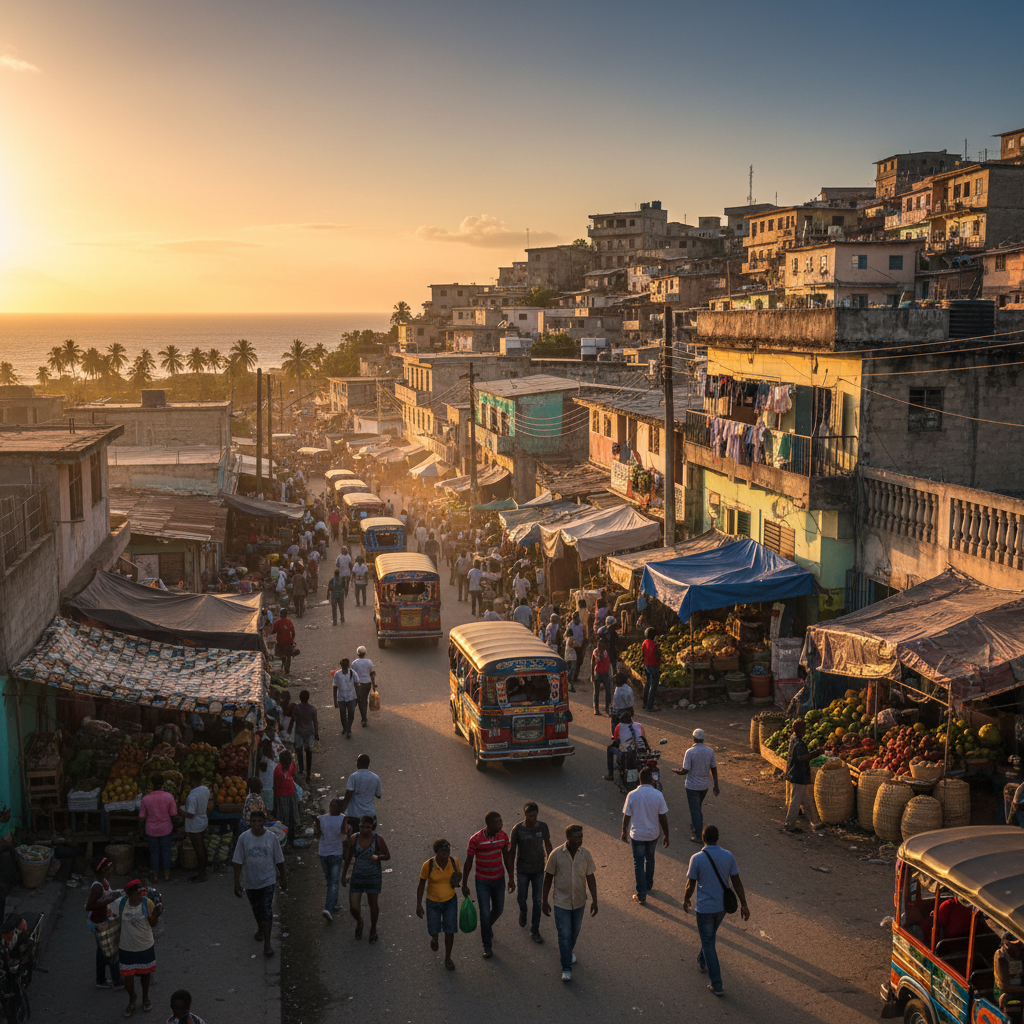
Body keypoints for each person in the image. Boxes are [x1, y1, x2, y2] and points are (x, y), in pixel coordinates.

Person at [683, 824, 750, 997]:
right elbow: (737, 882)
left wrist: (686, 899)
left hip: (704, 909)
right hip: (722, 908)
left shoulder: (696, 858)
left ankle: (717, 983)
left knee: (708, 941)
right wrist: (744, 904)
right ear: (717, 838)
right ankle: (702, 960)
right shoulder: (728, 856)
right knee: (709, 938)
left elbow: (691, 884)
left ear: (703, 838)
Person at [542, 824, 598, 983]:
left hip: (580, 901)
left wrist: (595, 899)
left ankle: (567, 951)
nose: (580, 839)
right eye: (577, 837)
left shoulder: (585, 854)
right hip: (561, 902)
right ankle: (566, 967)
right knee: (564, 934)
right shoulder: (556, 855)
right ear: (568, 838)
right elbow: (548, 878)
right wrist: (544, 900)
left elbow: (590, 877)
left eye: (581, 836)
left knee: (574, 932)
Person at [232, 809, 287, 958]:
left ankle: (267, 945)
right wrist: (237, 882)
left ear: (264, 822)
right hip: (251, 881)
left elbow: (279, 860)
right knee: (256, 909)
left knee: (266, 909)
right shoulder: (244, 838)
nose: (256, 824)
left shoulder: (271, 838)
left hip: (268, 880)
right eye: (254, 821)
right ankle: (260, 928)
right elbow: (237, 862)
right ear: (250, 823)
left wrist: (283, 878)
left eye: (259, 821)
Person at [462, 811, 514, 959]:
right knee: (484, 913)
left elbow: (507, 857)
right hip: (482, 881)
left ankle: (486, 926)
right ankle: (487, 945)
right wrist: (464, 884)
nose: (500, 824)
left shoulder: (503, 836)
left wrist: (511, 878)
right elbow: (469, 862)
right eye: (497, 822)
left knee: (498, 909)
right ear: (489, 824)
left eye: (501, 821)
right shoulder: (476, 839)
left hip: (499, 879)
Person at [622, 768, 670, 905]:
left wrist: (624, 830)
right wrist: (666, 834)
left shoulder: (632, 795)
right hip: (653, 834)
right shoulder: (658, 795)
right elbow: (663, 816)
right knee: (650, 859)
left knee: (638, 863)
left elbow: (626, 816)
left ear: (640, 779)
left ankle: (641, 894)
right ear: (651, 780)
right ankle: (648, 885)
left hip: (637, 835)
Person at [342, 816, 391, 942]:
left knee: (373, 904)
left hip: (373, 877)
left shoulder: (377, 839)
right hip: (357, 876)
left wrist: (378, 857)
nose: (365, 830)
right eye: (362, 827)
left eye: (367, 827)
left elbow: (387, 855)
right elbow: (348, 857)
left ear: (372, 827)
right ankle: (360, 922)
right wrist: (344, 874)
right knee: (354, 907)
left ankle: (373, 929)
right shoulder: (354, 838)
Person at [117, 879, 162, 1015]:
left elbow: (152, 923)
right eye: (137, 893)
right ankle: (132, 998)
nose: (140, 896)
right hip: (126, 947)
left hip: (144, 945)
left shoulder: (147, 903)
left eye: (141, 893)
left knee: (145, 974)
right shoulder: (121, 903)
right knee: (128, 977)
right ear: (130, 894)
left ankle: (145, 998)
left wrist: (156, 914)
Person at [510, 802, 552, 945]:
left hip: (539, 869)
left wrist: (551, 863)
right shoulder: (517, 830)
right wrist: (510, 874)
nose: (533, 818)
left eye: (535, 815)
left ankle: (535, 930)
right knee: (522, 897)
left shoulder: (542, 827)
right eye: (530, 815)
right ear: (525, 815)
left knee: (538, 901)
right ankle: (523, 911)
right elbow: (512, 850)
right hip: (522, 870)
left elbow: (548, 844)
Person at [416, 838, 461, 971]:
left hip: (450, 901)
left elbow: (458, 877)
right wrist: (419, 904)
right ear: (436, 852)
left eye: (447, 850)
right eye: (442, 850)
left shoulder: (454, 862)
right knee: (433, 928)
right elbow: (421, 885)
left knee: (450, 930)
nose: (446, 852)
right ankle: (435, 938)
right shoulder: (428, 865)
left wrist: (460, 884)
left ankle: (448, 958)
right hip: (433, 902)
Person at [672, 728, 720, 842]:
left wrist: (676, 771)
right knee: (697, 808)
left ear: (693, 738)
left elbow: (685, 770)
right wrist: (716, 785)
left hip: (692, 786)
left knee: (695, 810)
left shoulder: (690, 752)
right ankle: (696, 826)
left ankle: (699, 835)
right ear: (703, 739)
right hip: (704, 786)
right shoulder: (710, 751)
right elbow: (714, 768)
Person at [85, 855, 122, 989]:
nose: (111, 871)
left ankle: (100, 980)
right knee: (111, 952)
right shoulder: (98, 887)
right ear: (101, 871)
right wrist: (109, 901)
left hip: (102, 920)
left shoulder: (104, 881)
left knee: (102, 951)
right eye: (108, 869)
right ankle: (117, 981)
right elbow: (89, 906)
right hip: (99, 923)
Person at [783, 719, 824, 833]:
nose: (805, 731)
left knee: (806, 800)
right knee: (796, 801)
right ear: (799, 730)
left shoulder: (793, 738)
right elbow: (803, 758)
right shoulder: (799, 743)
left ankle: (815, 822)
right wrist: (816, 752)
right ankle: (789, 825)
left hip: (796, 773)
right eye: (804, 728)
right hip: (799, 775)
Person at [139, 774, 177, 884]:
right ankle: (166, 875)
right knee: (166, 851)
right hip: (166, 828)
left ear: (152, 785)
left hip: (151, 830)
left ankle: (155, 876)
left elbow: (142, 816)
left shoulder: (146, 799)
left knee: (154, 852)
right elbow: (173, 813)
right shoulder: (169, 797)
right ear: (162, 784)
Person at [314, 798, 346, 923]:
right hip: (336, 853)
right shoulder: (343, 818)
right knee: (334, 882)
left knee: (329, 881)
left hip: (323, 853)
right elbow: (344, 835)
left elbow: (317, 834)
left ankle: (332, 904)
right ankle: (329, 908)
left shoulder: (320, 818)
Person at [181, 771, 210, 883]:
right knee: (202, 846)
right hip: (202, 819)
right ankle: (203, 869)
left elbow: (190, 814)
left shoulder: (192, 796)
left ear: (192, 780)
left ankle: (202, 874)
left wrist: (178, 811)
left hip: (195, 824)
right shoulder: (205, 789)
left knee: (199, 849)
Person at [341, 753, 382, 830]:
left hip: (354, 815)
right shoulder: (375, 778)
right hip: (370, 814)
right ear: (368, 764)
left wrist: (342, 812)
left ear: (357, 763)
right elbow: (379, 795)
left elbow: (348, 797)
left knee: (353, 838)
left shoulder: (353, 777)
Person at [604, 710, 645, 780]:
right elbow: (643, 738)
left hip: (626, 753)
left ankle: (610, 774)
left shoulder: (619, 726)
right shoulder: (639, 726)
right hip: (640, 752)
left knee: (610, 748)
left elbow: (615, 740)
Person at [273, 750, 300, 850]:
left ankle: (292, 838)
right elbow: (277, 787)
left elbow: (293, 774)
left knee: (292, 817)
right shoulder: (278, 771)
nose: (287, 766)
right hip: (282, 796)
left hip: (291, 793)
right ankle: (286, 841)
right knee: (284, 819)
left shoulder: (291, 765)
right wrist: (276, 801)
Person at [994, 931, 1024, 1018]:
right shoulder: (1001, 957)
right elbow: (1005, 986)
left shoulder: (1021, 953)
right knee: (1006, 1000)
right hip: (1006, 991)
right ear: (1006, 944)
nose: (1020, 945)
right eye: (1016, 944)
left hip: (1020, 986)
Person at [291, 689, 319, 782]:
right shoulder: (312, 708)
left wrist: (289, 730)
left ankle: (301, 769)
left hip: (299, 732)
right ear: (308, 698)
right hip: (309, 732)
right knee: (308, 752)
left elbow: (293, 719)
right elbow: (315, 722)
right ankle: (308, 772)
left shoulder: (297, 708)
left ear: (300, 698)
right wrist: (316, 733)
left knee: (299, 751)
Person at [350, 646, 377, 727]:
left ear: (357, 654)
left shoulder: (354, 663)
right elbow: (372, 674)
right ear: (365, 653)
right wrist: (373, 684)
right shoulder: (369, 662)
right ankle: (364, 718)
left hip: (358, 684)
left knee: (360, 700)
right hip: (367, 684)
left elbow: (352, 675)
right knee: (364, 700)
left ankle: (363, 718)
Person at [333, 657, 358, 739]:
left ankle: (348, 728)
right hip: (341, 697)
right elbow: (335, 687)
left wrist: (357, 696)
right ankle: (346, 728)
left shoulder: (352, 673)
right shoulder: (337, 674)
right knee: (343, 714)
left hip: (351, 697)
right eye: (344, 666)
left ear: (348, 666)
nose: (345, 668)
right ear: (341, 666)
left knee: (351, 713)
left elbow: (357, 683)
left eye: (346, 666)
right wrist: (335, 701)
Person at [640, 627, 660, 712]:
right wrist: (660, 661)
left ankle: (645, 703)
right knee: (653, 686)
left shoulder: (645, 642)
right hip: (654, 666)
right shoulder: (654, 645)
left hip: (647, 665)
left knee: (648, 684)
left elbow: (642, 653)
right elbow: (657, 655)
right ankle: (650, 706)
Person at [591, 637, 612, 716]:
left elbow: (608, 663)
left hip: (605, 673)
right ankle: (596, 708)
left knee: (608, 692)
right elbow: (593, 662)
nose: (599, 646)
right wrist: (592, 675)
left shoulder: (605, 652)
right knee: (596, 692)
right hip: (598, 673)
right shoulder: (596, 652)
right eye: (599, 644)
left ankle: (608, 708)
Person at [271, 611, 296, 675]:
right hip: (288, 642)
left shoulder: (277, 622)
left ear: (280, 615)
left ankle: (284, 666)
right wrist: (292, 639)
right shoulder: (289, 622)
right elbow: (293, 632)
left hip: (280, 642)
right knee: (289, 656)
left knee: (282, 655)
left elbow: (274, 631)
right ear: (286, 615)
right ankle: (287, 669)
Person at [258, 739, 277, 813]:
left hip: (267, 788)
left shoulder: (266, 760)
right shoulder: (265, 762)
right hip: (267, 789)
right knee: (267, 810)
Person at [566, 612, 585, 687]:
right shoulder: (570, 625)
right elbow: (567, 635)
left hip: (579, 646)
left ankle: (575, 677)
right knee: (572, 662)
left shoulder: (580, 625)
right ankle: (570, 677)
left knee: (579, 661)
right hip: (573, 646)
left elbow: (582, 634)